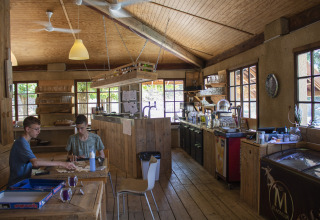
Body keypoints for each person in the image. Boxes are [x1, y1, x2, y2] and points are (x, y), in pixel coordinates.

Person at [8, 116, 76, 186]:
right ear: (27, 129)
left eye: (39, 128)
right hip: (17, 184)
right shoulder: (21, 143)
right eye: (36, 129)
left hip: (24, 180)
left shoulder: (24, 141)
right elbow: (35, 163)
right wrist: (62, 164)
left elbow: (34, 160)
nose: (39, 131)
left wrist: (53, 162)